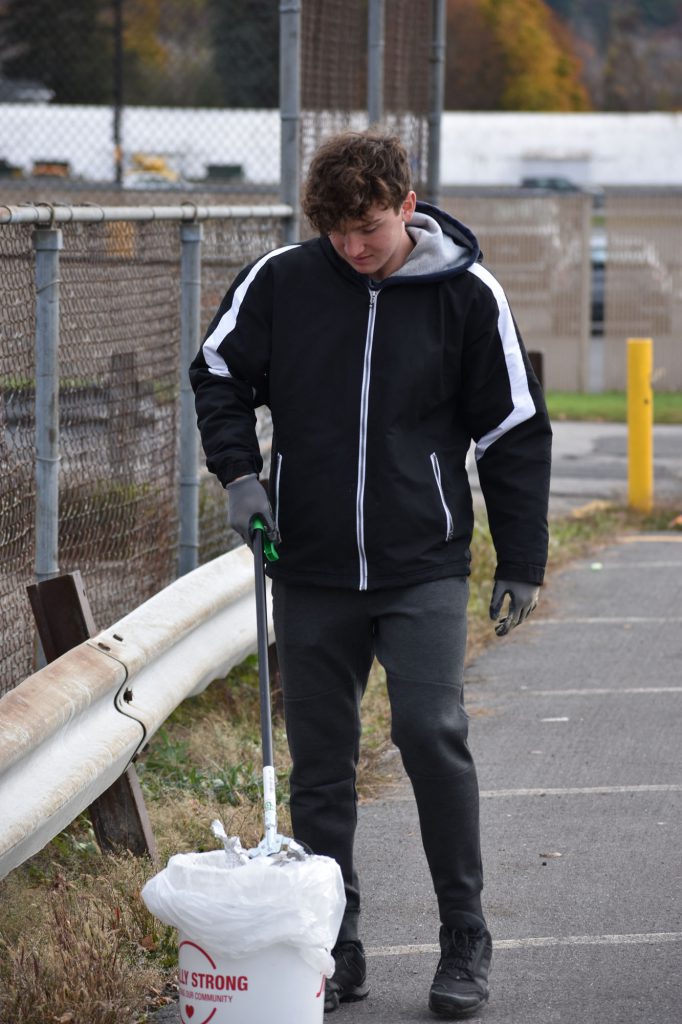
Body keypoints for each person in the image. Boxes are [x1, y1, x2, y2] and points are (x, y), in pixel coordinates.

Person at [190, 129, 552, 1018]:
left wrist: (522, 558)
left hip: (420, 562)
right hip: (308, 564)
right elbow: (216, 376)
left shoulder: (466, 294)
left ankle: (464, 934)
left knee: (431, 732)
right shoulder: (281, 281)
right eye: (337, 233)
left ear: (408, 207)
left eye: (370, 230)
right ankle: (332, 942)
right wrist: (241, 475)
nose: (354, 248)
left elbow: (512, 430)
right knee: (321, 763)